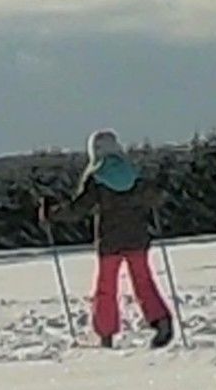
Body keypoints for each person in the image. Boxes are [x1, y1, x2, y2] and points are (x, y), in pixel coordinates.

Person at [49, 130, 175, 348]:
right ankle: (161, 320)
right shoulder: (132, 173)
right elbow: (154, 197)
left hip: (110, 241)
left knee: (106, 287)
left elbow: (79, 208)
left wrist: (52, 213)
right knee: (143, 281)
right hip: (137, 238)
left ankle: (106, 335)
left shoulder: (97, 177)